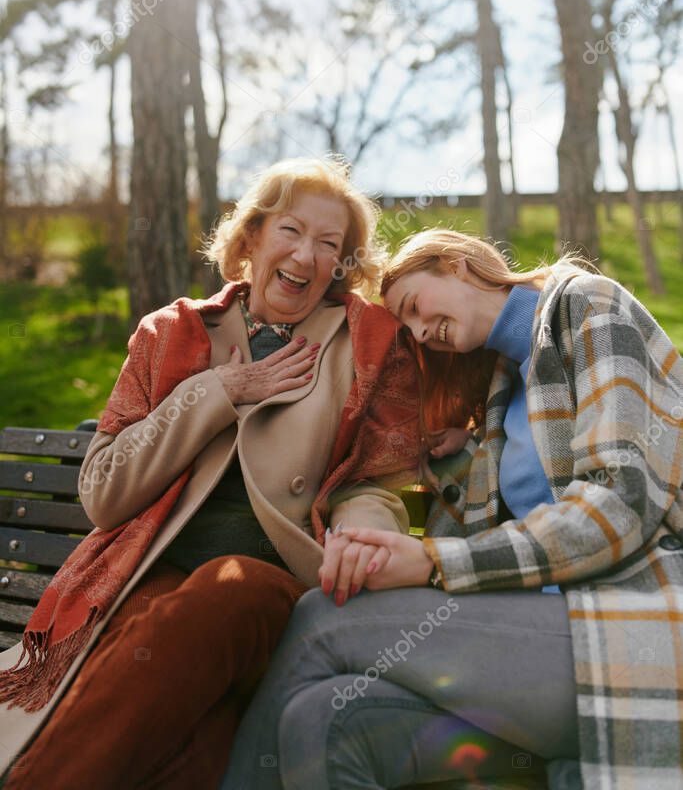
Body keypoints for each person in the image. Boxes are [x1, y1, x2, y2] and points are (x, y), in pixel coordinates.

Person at [0, 158, 422, 790]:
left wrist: (360, 534)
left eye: (329, 245)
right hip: (149, 570)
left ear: (342, 265)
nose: (306, 256)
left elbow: (376, 481)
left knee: (220, 593)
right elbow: (103, 495)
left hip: (277, 584)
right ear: (250, 237)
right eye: (290, 230)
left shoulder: (366, 342)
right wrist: (215, 390)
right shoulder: (171, 334)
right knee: (190, 735)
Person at [222, 228, 683, 790]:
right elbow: (468, 531)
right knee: (323, 721)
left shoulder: (586, 304)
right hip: (544, 652)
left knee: (324, 618)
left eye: (415, 306)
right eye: (410, 329)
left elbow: (620, 504)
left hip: (632, 631)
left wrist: (433, 562)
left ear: (457, 265)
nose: (418, 331)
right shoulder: (502, 393)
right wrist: (426, 478)